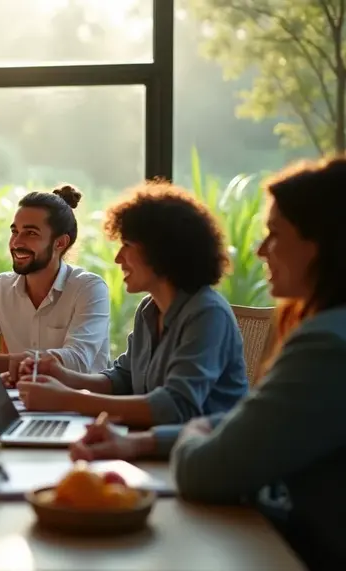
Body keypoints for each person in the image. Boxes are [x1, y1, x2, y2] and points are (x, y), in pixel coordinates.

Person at [68, 157, 346, 569]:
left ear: (321, 242)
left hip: (295, 547)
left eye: (275, 234)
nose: (260, 250)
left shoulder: (326, 347)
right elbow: (235, 424)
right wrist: (138, 441)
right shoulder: (149, 312)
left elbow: (205, 468)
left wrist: (191, 429)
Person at [13, 182, 248, 428]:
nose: (118, 258)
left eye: (127, 245)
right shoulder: (150, 309)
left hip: (200, 458)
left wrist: (67, 399)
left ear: (162, 251)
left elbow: (176, 407)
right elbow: (123, 379)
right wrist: (63, 376)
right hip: (152, 446)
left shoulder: (207, 314)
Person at [0, 185, 111, 375]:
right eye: (15, 232)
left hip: (80, 401)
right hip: (24, 399)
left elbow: (76, 361)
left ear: (60, 243)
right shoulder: (2, 287)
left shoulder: (89, 288)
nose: (16, 242)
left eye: (31, 233)